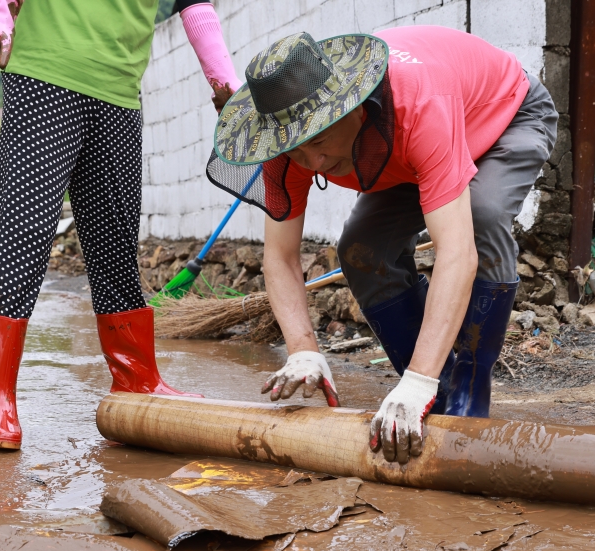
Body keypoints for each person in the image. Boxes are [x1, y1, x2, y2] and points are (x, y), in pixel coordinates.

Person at [207, 27, 557, 464]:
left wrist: (417, 382)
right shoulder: (287, 146)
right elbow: (280, 257)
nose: (313, 164)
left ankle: (464, 394)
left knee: (480, 218)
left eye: (319, 141)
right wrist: (303, 350)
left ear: (354, 107)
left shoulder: (419, 105)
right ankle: (436, 391)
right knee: (360, 248)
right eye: (298, 152)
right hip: (405, 153)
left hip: (504, 116)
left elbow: (457, 254)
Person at [0, 0, 241, 449]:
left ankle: (135, 376)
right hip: (45, 74)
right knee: (22, 235)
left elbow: (193, 3)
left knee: (114, 242)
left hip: (119, 91)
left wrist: (224, 79)